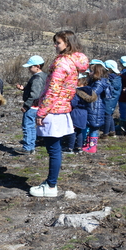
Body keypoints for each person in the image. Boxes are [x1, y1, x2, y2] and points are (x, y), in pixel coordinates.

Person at [31, 30, 89, 197]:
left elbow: (53, 90)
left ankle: (51, 186)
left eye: (58, 42)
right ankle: (50, 183)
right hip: (61, 108)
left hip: (53, 110)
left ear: (67, 44)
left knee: (53, 149)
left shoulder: (62, 63)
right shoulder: (72, 62)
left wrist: (41, 111)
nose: (55, 45)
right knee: (54, 148)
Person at [16, 55, 46, 154]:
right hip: (38, 106)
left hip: (32, 106)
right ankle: (31, 146)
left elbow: (35, 94)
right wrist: (24, 89)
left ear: (37, 66)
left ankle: (28, 147)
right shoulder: (44, 76)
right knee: (32, 127)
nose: (29, 69)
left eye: (30, 67)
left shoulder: (37, 78)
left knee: (28, 126)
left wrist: (26, 105)